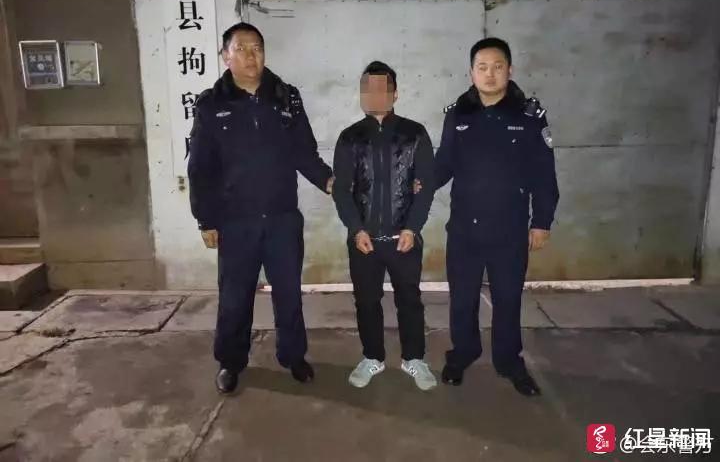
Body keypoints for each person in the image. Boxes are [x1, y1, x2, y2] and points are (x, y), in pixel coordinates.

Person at [187, 22, 334, 394]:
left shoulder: (286, 97)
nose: (251, 56)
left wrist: (329, 182)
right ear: (226, 56)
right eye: (241, 49)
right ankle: (230, 361)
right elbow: (201, 168)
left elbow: (304, 152)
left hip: (282, 219)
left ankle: (294, 356)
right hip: (235, 223)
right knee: (234, 298)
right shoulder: (211, 104)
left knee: (289, 294)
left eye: (257, 48)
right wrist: (206, 219)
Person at [435, 37, 559, 396]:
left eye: (497, 67)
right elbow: (444, 164)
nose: (490, 74)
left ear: (510, 70)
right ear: (471, 73)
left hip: (510, 229)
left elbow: (543, 172)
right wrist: (415, 184)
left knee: (507, 300)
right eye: (482, 67)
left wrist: (542, 221)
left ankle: (509, 361)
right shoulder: (458, 114)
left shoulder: (529, 116)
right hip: (464, 229)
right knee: (462, 299)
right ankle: (462, 353)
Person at [332, 61, 437, 391]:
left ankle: (414, 358)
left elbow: (426, 185)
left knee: (409, 299)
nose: (374, 95)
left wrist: (412, 228)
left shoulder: (414, 134)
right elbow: (342, 190)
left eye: (381, 88)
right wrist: (355, 229)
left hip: (404, 238)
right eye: (368, 89)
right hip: (365, 240)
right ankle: (372, 357)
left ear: (395, 94)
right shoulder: (350, 138)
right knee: (366, 301)